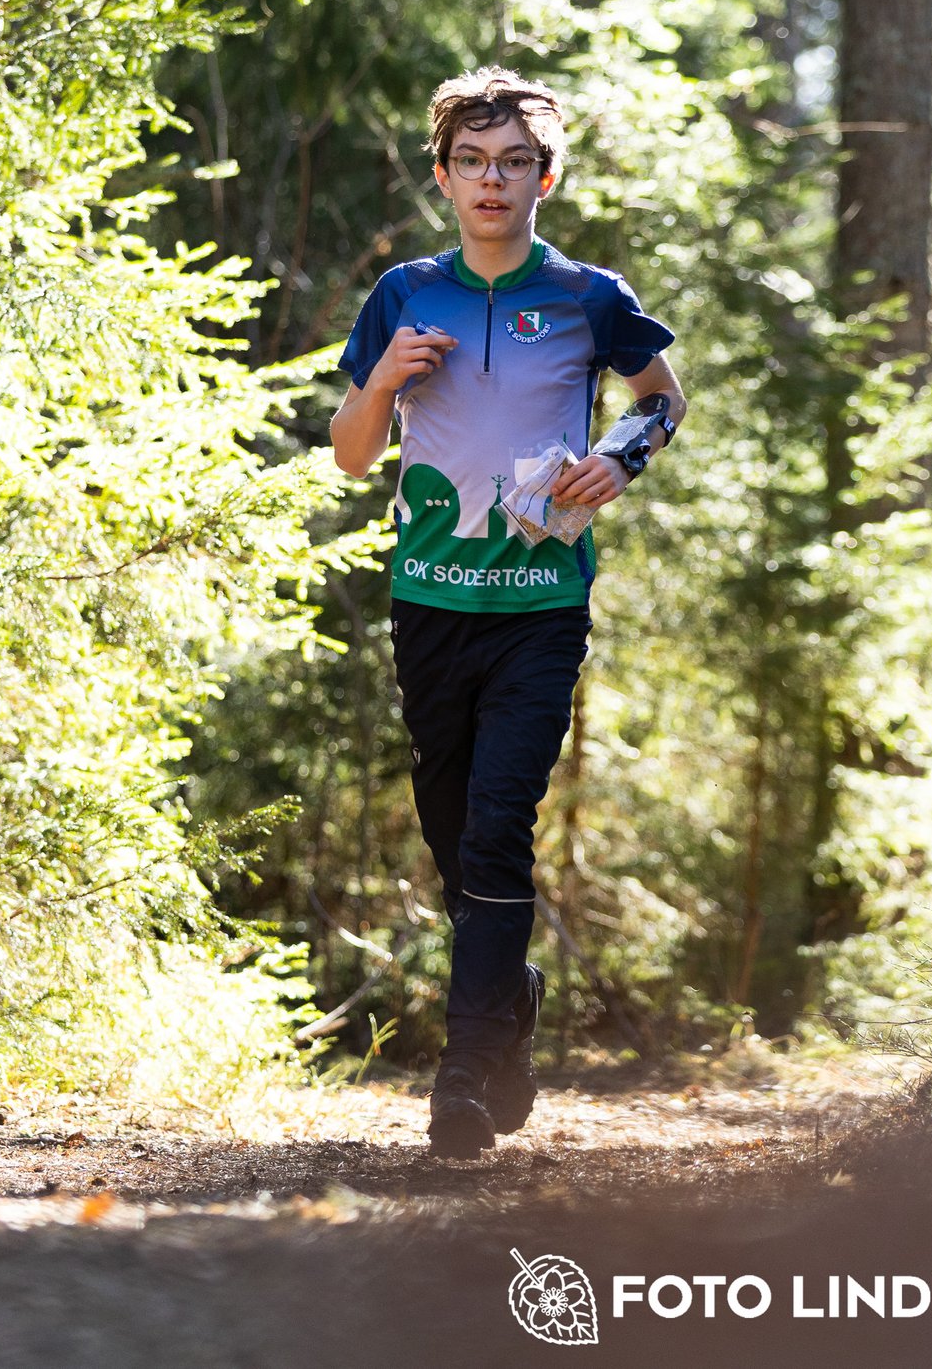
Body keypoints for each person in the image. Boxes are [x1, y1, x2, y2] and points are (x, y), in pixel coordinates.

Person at [329, 68, 685, 1158]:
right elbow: (351, 455)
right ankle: (511, 992)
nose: (494, 180)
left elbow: (660, 394)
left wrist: (621, 457)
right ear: (444, 177)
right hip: (429, 604)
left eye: (514, 161)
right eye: (474, 162)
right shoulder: (403, 294)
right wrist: (382, 378)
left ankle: (465, 1074)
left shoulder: (587, 294)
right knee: (455, 842)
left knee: (496, 828)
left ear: (544, 175)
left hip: (542, 607)